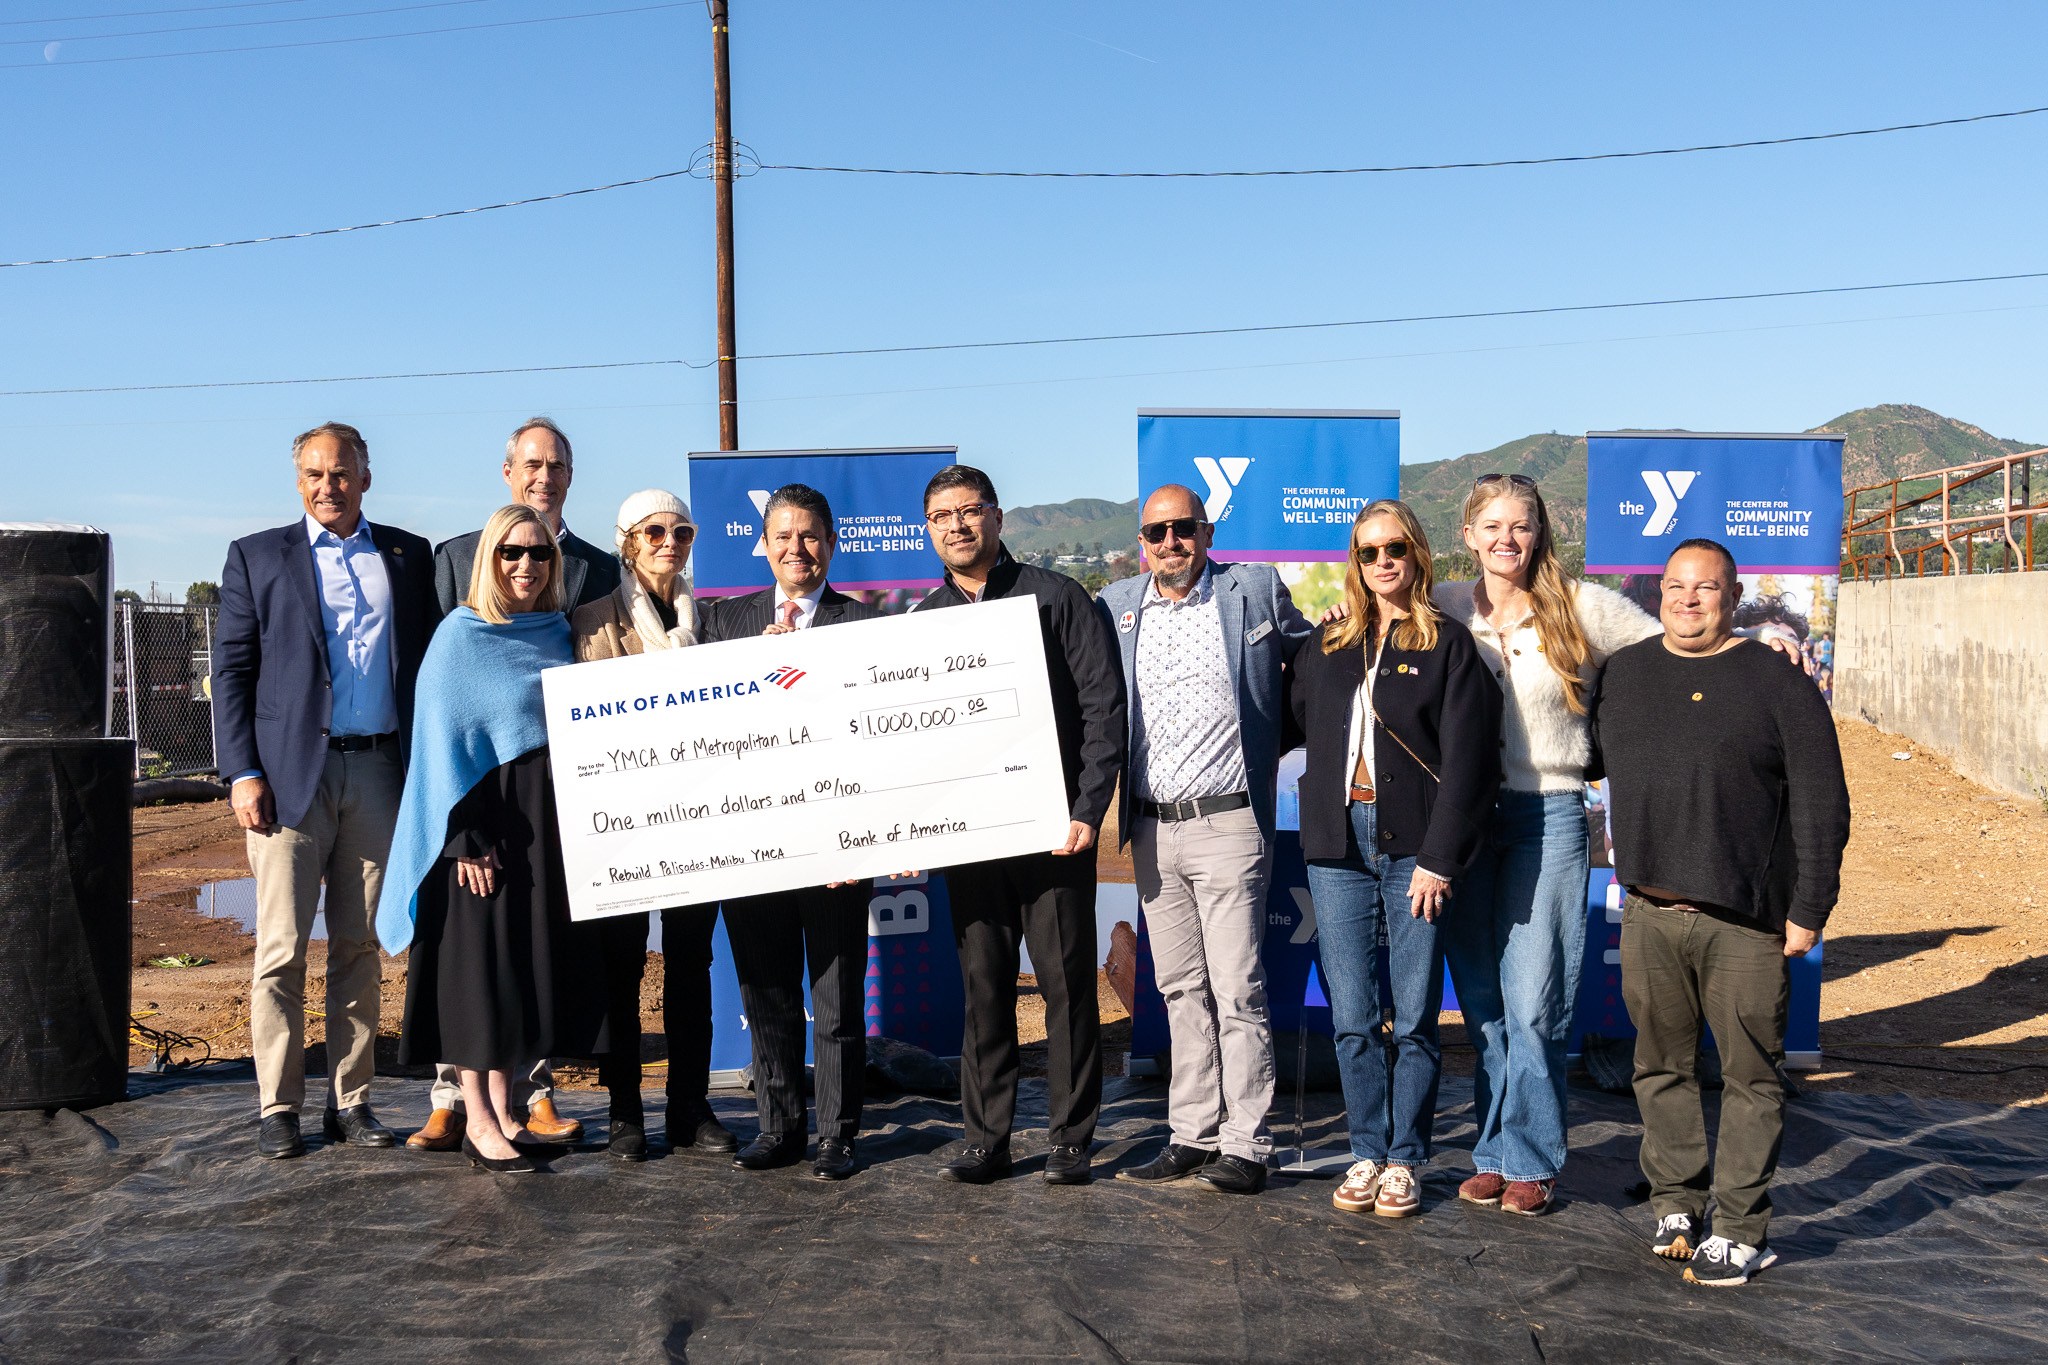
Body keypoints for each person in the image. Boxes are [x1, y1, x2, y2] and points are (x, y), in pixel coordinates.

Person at [1594, 538, 1850, 1287]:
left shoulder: (1777, 681)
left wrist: (1810, 907)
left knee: (1751, 1076)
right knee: (1659, 1066)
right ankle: (1677, 1202)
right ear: (1659, 594)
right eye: (1676, 586)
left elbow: (1823, 802)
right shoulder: (1626, 674)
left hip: (1746, 919)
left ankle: (1739, 1228)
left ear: (1731, 598)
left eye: (1705, 588)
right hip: (1649, 911)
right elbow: (1581, 755)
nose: (1687, 599)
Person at [1431, 474, 1661, 1216]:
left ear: (1539, 534)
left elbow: (1669, 646)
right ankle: (1494, 1152)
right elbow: (1371, 621)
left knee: (1534, 1002)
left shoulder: (1582, 606)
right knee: (1484, 1003)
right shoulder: (1442, 606)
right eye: (1493, 526)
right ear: (1468, 535)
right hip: (1462, 823)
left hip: (1549, 815)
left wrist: (1757, 654)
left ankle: (1532, 1159)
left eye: (1521, 525)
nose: (1508, 539)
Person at [213, 422, 437, 1159]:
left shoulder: (406, 555)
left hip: (378, 772)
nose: (327, 486)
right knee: (280, 950)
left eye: (340, 473)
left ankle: (352, 1100)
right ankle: (279, 1105)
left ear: (365, 477)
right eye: (314, 474)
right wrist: (242, 772)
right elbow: (232, 672)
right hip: (286, 782)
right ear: (298, 480)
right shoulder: (257, 557)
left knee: (360, 946)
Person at [376, 504, 611, 1175]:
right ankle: (477, 1120)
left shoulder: (557, 633)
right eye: (511, 552)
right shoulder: (461, 634)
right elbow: (438, 745)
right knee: (478, 977)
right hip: (480, 833)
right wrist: (464, 839)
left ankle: (506, 1111)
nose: (525, 565)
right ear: (489, 559)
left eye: (539, 553)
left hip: (540, 829)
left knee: (517, 974)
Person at [1096, 484, 1312, 1195]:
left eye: (1183, 528)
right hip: (1151, 827)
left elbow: (1315, 664)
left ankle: (1248, 1142)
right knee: (1180, 988)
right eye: (1156, 532)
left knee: (1238, 987)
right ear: (1141, 543)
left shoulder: (1255, 590)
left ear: (1207, 531)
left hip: (1230, 822)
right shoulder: (1116, 605)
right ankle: (1193, 1133)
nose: (1171, 542)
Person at [915, 464, 1126, 1186]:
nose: (957, 526)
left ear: (997, 517)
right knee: (984, 989)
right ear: (929, 530)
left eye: (969, 511)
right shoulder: (922, 622)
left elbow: (1103, 709)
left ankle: (1071, 1139)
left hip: (1055, 834)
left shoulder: (1058, 597)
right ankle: (987, 1139)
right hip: (971, 840)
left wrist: (1087, 809)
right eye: (941, 516)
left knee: (1066, 987)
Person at [1289, 499, 1500, 1219]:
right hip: (1336, 843)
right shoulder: (1327, 642)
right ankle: (1366, 1150)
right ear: (1356, 561)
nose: (1383, 561)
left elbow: (1470, 762)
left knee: (1413, 1017)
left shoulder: (1449, 644)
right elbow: (1288, 716)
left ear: (1418, 554)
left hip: (1416, 848)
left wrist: (1440, 858)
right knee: (1352, 1014)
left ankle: (1405, 1157)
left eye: (1395, 548)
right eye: (1369, 551)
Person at [696, 484, 881, 1181]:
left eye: (809, 536)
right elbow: (702, 726)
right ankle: (778, 1127)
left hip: (836, 846)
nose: (796, 548)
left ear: (830, 544)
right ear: (764, 544)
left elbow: (876, 736)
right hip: (753, 842)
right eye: (783, 536)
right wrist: (752, 675)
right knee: (765, 993)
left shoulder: (862, 625)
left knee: (835, 1000)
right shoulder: (725, 622)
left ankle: (836, 1134)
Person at [571, 489, 735, 1161]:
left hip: (699, 820)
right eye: (655, 531)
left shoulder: (715, 622)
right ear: (627, 542)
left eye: (682, 531)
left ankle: (690, 1106)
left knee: (693, 963)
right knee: (623, 965)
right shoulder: (592, 622)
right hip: (624, 827)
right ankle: (624, 1110)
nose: (671, 542)